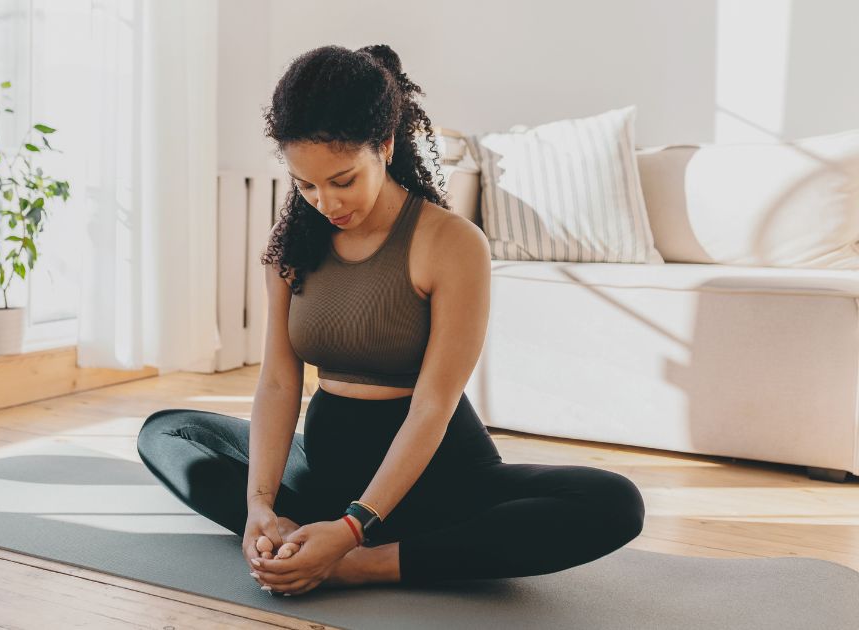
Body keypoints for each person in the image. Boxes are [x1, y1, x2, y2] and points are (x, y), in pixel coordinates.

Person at [135, 44, 645, 597]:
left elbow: (433, 404)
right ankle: (293, 536)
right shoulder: (291, 247)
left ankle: (363, 561)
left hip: (440, 482)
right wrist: (258, 505)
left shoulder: (451, 243)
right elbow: (280, 381)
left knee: (613, 501)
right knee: (168, 433)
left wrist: (355, 528)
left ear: (385, 144)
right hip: (325, 477)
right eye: (306, 185)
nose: (325, 202)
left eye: (343, 179)